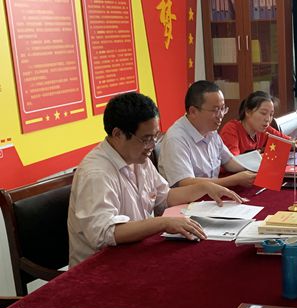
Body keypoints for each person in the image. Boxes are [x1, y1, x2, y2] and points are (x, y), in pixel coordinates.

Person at [68, 92, 242, 267]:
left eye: (155, 136)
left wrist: (204, 187)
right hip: (101, 266)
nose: (152, 145)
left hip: (134, 252)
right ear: (118, 134)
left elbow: (165, 197)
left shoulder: (136, 158)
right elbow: (105, 233)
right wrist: (162, 223)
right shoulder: (96, 173)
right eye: (146, 139)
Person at [158, 81, 256, 188]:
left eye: (222, 109)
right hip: (191, 197)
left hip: (213, 193)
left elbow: (229, 162)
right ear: (193, 111)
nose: (221, 115)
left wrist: (256, 168)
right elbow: (185, 183)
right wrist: (234, 180)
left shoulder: (210, 130)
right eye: (215, 110)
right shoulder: (176, 139)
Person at [219, 91, 288, 156]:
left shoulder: (265, 129)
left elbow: (290, 143)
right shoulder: (231, 130)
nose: (268, 119)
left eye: (271, 115)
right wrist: (261, 154)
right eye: (263, 113)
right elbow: (234, 161)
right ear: (248, 112)